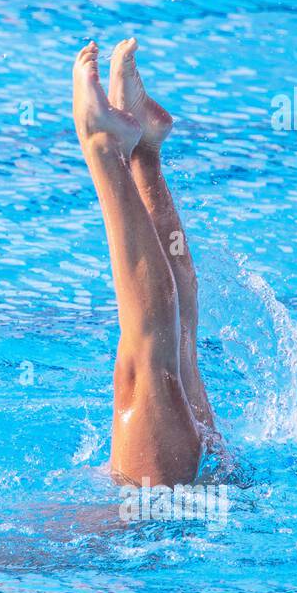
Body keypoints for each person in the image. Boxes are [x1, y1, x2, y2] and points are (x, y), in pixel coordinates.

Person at [71, 38, 218, 486]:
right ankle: (105, 147)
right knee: (153, 361)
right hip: (152, 506)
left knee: (180, 346)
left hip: (214, 480)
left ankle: (144, 152)